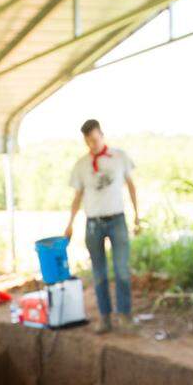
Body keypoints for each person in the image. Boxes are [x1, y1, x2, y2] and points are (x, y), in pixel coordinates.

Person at [64, 118, 138, 334]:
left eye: (95, 140)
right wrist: (70, 223)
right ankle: (105, 317)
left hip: (117, 220)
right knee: (99, 273)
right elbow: (77, 196)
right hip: (93, 224)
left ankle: (125, 315)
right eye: (88, 141)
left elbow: (131, 186)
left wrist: (137, 216)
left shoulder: (119, 157)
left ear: (101, 135)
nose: (92, 145)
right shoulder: (82, 165)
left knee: (122, 270)